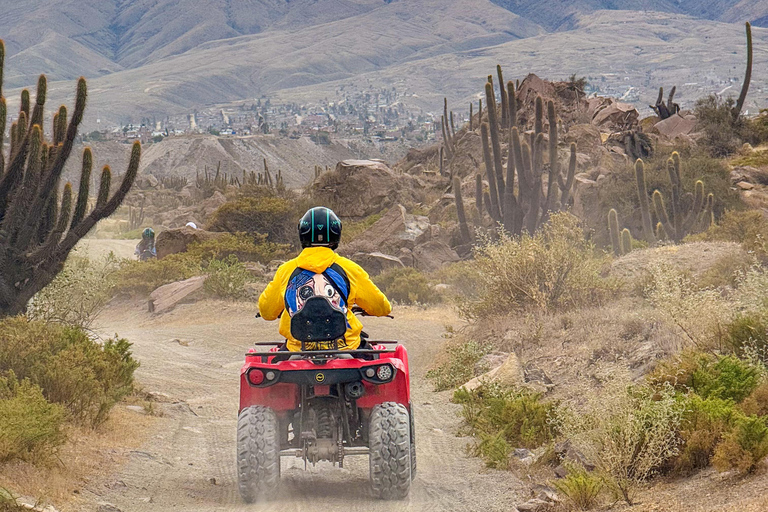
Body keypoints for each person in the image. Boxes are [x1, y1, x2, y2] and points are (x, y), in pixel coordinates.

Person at [258, 206, 391, 351]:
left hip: (298, 349)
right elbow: (381, 307)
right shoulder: (351, 269)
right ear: (336, 234)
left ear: (302, 233)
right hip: (346, 347)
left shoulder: (285, 271)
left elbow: (267, 311)